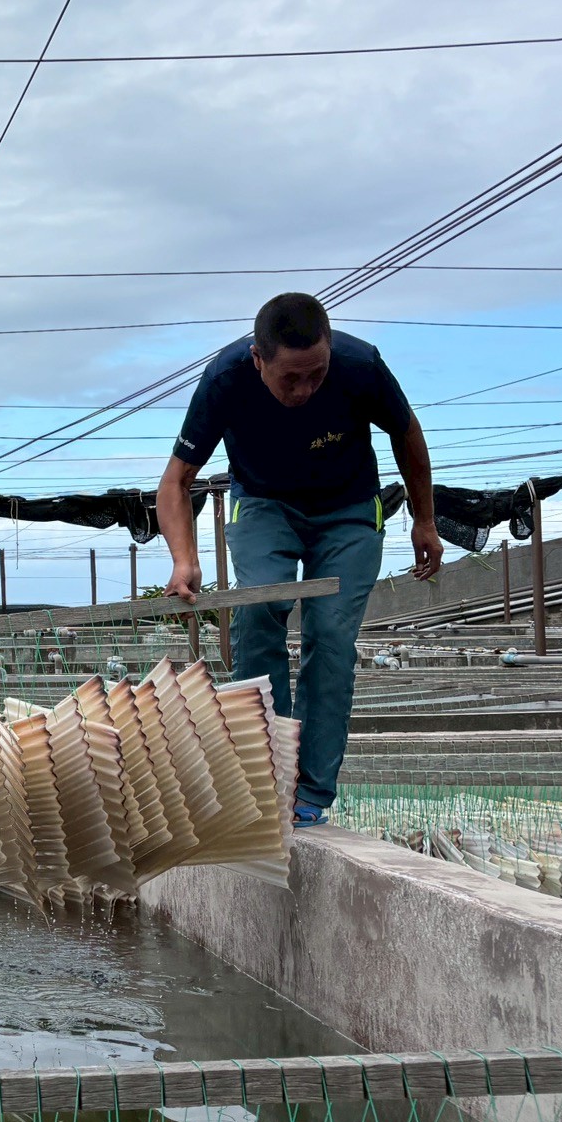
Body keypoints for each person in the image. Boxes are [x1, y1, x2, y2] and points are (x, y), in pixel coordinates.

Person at [157, 293, 440, 827]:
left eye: (317, 374)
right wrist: (183, 560)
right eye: (292, 378)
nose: (306, 389)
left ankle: (310, 791)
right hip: (264, 504)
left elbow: (407, 434)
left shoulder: (361, 366)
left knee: (331, 638)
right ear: (258, 359)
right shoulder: (225, 380)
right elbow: (176, 481)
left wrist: (424, 520)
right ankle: (264, 780)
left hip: (350, 510)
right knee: (261, 608)